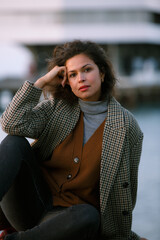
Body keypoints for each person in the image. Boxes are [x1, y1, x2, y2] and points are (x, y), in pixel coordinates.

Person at [0, 40, 147, 240]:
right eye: (73, 74)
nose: (81, 79)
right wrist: (40, 84)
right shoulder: (57, 107)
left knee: (89, 215)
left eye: (87, 70)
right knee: (14, 142)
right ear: (66, 81)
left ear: (102, 73)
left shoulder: (127, 127)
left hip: (70, 221)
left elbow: (126, 191)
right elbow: (11, 123)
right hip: (29, 205)